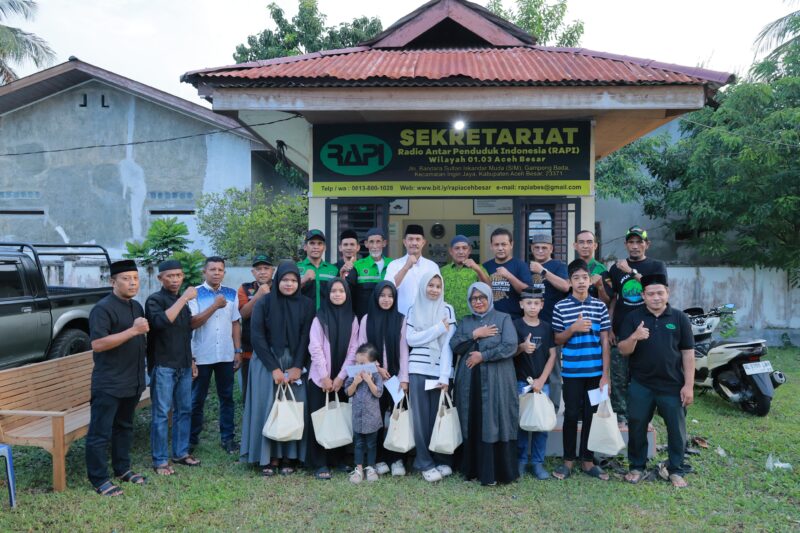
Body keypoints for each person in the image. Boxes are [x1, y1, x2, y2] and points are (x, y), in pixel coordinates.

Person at [618, 273, 694, 488]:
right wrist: (635, 336)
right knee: (637, 425)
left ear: (667, 293)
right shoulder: (633, 318)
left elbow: (688, 353)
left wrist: (688, 385)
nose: (656, 298)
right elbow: (623, 350)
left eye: (660, 293)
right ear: (643, 295)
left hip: (672, 385)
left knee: (676, 429)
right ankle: (637, 466)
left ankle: (676, 469)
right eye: (650, 294)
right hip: (641, 383)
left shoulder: (679, 318)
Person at [240, 261, 315, 476]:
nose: (289, 284)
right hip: (266, 361)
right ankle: (268, 456)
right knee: (268, 406)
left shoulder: (307, 304)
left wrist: (297, 367)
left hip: (295, 361)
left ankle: (289, 456)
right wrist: (273, 368)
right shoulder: (263, 303)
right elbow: (257, 336)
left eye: (293, 280)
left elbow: (305, 336)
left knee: (293, 406)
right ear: (277, 281)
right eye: (285, 280)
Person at [85, 260, 148, 496]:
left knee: (125, 427)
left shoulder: (136, 306)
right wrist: (133, 330)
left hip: (132, 381)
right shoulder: (102, 309)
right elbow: (98, 344)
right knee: (100, 433)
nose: (132, 282)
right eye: (126, 278)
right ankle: (99, 478)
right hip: (109, 383)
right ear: (113, 281)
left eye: (135, 278)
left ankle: (122, 468)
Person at [451, 282, 519, 486]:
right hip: (469, 382)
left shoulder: (503, 318)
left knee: (494, 420)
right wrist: (475, 334)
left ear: (489, 298)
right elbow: (455, 345)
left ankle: (497, 472)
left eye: (482, 297)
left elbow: (510, 345)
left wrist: (484, 355)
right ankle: (472, 469)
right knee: (472, 419)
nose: (478, 301)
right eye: (474, 298)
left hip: (497, 381)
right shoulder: (465, 321)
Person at [551, 259, 611, 481]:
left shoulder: (600, 306)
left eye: (584, 278)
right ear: (569, 282)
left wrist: (606, 375)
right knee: (571, 415)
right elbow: (557, 338)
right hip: (572, 372)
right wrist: (572, 329)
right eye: (576, 278)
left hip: (595, 373)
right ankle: (568, 461)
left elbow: (605, 341)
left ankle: (587, 460)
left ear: (590, 280)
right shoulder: (561, 307)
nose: (581, 282)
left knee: (591, 416)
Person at [145, 259, 200, 477]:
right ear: (160, 278)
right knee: (161, 413)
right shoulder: (154, 301)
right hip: (164, 366)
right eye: (170, 276)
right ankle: (160, 460)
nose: (175, 279)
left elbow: (186, 332)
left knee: (184, 410)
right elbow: (161, 323)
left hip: (184, 364)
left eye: (178, 275)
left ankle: (180, 452)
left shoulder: (181, 302)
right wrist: (185, 297)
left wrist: (192, 360)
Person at [608, 226, 668, 421]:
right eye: (631, 242)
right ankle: (620, 416)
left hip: (649, 330)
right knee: (619, 377)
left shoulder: (656, 266)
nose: (635, 246)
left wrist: (631, 272)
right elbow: (614, 299)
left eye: (639, 242)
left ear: (646, 244)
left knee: (643, 377)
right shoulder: (616, 268)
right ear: (626, 245)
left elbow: (657, 290)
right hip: (622, 330)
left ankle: (643, 415)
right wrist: (609, 327)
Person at [405, 271, 456, 483]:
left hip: (439, 371)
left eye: (437, 286)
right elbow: (410, 339)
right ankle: (424, 462)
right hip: (417, 369)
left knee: (439, 417)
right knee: (420, 420)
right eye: (430, 285)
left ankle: (440, 459)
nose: (434, 290)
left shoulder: (448, 309)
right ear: (424, 286)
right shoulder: (413, 308)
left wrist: (445, 375)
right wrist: (436, 329)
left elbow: (448, 346)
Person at [188, 256, 242, 455]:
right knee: (197, 399)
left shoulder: (231, 293)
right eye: (212, 269)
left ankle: (228, 439)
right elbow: (192, 322)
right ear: (205, 272)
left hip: (226, 355)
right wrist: (214, 306)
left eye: (220, 270)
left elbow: (235, 323)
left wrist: (237, 350)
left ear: (224, 273)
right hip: (202, 355)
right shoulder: (195, 294)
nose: (216, 273)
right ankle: (191, 440)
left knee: (227, 398)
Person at [307, 278, 360, 479]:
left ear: (347, 294)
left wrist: (340, 377)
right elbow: (315, 348)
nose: (337, 294)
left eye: (341, 291)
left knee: (340, 417)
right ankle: (320, 463)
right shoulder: (319, 318)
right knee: (321, 419)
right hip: (320, 380)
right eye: (333, 291)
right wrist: (325, 377)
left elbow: (354, 350)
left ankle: (338, 459)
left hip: (342, 379)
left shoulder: (353, 319)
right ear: (327, 294)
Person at [358, 281, 410, 477]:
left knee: (397, 417)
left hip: (396, 376)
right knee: (376, 419)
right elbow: (362, 350)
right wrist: (376, 368)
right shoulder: (366, 320)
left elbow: (404, 351)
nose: (386, 299)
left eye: (390, 296)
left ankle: (397, 459)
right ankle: (378, 459)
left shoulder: (401, 319)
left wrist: (404, 379)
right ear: (376, 297)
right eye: (382, 295)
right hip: (374, 378)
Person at [513, 287, 557, 480]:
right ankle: (521, 460)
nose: (532, 307)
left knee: (541, 424)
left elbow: (553, 355)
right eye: (528, 303)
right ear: (521, 304)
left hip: (541, 384)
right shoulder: (515, 325)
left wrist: (542, 380)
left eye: (536, 303)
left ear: (542, 305)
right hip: (520, 382)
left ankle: (538, 462)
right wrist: (522, 347)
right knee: (521, 423)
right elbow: (509, 353)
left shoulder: (547, 327)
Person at [528, 232, 569, 409]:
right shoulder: (526, 266)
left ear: (551, 248)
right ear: (531, 249)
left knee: (553, 367)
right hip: (530, 323)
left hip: (553, 324)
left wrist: (543, 271)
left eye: (544, 247)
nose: (540, 250)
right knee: (530, 364)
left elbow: (566, 286)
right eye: (536, 247)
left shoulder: (558, 265)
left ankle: (552, 407)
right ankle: (531, 404)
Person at [237, 254, 274, 406]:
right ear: (253, 272)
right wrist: (258, 295)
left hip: (273, 349)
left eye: (266, 268)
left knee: (271, 391)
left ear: (272, 270)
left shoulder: (281, 286)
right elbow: (243, 314)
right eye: (258, 269)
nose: (263, 272)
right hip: (249, 349)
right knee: (249, 391)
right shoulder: (245, 288)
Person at [345, 343, 384, 484]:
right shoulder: (353, 375)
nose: (359, 366)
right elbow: (348, 392)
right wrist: (355, 383)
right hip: (358, 417)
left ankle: (371, 467)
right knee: (359, 443)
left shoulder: (376, 376)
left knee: (371, 444)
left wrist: (368, 381)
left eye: (363, 363)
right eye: (357, 363)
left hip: (372, 418)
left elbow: (378, 393)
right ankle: (359, 468)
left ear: (373, 363)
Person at [384, 224, 440, 315]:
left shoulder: (432, 266)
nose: (414, 243)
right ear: (404, 242)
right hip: (400, 317)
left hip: (426, 317)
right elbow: (388, 289)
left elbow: (438, 294)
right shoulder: (394, 265)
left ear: (423, 242)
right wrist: (406, 267)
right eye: (410, 239)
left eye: (418, 239)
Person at [482, 228, 531, 319]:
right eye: (496, 245)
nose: (500, 248)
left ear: (511, 245)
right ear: (491, 246)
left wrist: (509, 276)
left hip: (515, 319)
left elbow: (528, 292)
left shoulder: (521, 266)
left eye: (504, 244)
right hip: (490, 319)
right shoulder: (485, 267)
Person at [441, 235, 490, 320]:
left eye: (464, 248)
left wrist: (477, 269)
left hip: (472, 320)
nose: (461, 251)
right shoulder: (443, 271)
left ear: (469, 250)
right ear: (450, 251)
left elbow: (489, 289)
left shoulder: (479, 268)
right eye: (457, 248)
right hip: (447, 319)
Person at [353, 227, 392, 318]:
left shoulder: (393, 264)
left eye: (378, 241)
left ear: (384, 243)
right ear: (366, 244)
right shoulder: (357, 265)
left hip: (388, 316)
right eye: (371, 242)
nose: (375, 246)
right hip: (365, 317)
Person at [298, 229, 339, 309]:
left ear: (324, 247)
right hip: (302, 316)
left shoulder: (334, 270)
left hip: (326, 317)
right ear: (305, 247)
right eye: (312, 243)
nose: (316, 247)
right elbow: (287, 292)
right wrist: (303, 280)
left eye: (320, 243)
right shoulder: (296, 268)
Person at [573, 230, 613, 305]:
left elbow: (607, 301)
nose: (585, 246)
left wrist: (600, 287)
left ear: (595, 246)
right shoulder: (570, 268)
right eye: (581, 242)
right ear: (575, 246)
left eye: (589, 242)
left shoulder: (601, 269)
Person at [336, 229, 360, 296]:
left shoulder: (363, 267)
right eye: (345, 245)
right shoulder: (334, 268)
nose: (349, 248)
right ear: (340, 247)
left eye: (352, 244)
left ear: (358, 247)